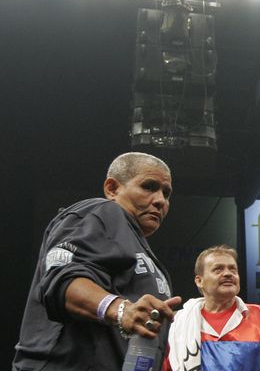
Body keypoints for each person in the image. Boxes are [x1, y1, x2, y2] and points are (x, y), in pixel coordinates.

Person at [14, 152, 181, 370]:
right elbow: (62, 283)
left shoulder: (140, 248)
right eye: (149, 186)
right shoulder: (102, 212)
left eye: (166, 193)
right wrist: (121, 310)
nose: (160, 200)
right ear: (112, 189)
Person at [162, 245, 260, 370]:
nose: (228, 274)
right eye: (218, 269)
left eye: (233, 269)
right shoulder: (178, 323)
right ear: (199, 281)